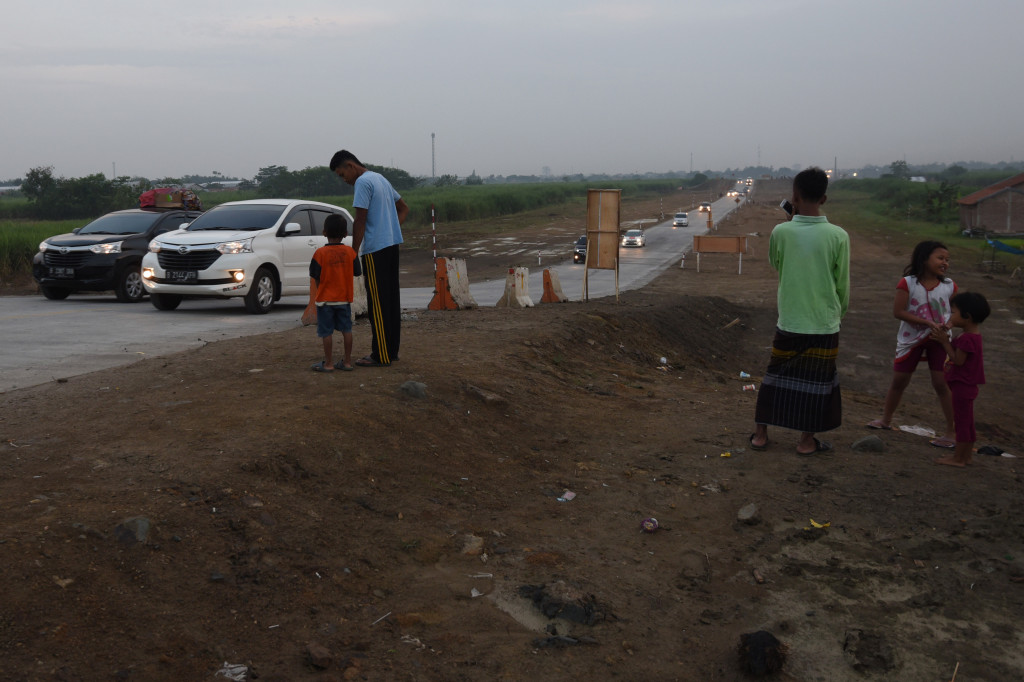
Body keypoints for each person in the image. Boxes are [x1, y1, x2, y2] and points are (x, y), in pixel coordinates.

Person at [749, 167, 850, 455]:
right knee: (818, 383)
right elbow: (842, 283)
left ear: (794, 197)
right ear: (825, 199)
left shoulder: (782, 231)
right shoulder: (838, 236)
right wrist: (837, 314)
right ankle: (806, 441)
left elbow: (776, 263)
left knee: (775, 376)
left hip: (791, 319)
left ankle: (760, 435)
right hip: (824, 322)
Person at [866, 241, 957, 447]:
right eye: (940, 258)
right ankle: (885, 420)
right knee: (899, 380)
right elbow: (898, 312)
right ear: (924, 259)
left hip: (939, 340)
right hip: (911, 338)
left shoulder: (949, 286)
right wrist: (925, 322)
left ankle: (952, 432)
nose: (945, 263)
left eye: (947, 260)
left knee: (941, 384)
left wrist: (947, 325)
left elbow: (955, 313)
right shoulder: (907, 283)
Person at [329, 150, 410, 367]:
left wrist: (353, 253)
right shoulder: (380, 178)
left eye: (341, 174)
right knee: (391, 301)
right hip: (392, 246)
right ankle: (391, 352)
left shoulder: (363, 183)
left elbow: (360, 221)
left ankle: (380, 355)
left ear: (350, 166)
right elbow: (403, 209)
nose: (343, 180)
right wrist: (388, 228)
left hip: (375, 251)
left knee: (378, 304)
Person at [930, 292, 989, 467]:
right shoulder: (971, 335)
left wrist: (944, 342)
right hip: (966, 386)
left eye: (954, 313)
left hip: (962, 386)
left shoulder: (967, 339)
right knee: (968, 423)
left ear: (967, 316)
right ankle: (966, 457)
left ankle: (958, 458)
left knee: (962, 424)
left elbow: (958, 360)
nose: (951, 316)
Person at [309, 214, 361, 372]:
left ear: (324, 232)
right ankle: (347, 362)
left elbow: (315, 275)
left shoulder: (319, 254)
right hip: (344, 300)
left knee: (326, 332)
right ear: (345, 234)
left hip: (325, 300)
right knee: (347, 330)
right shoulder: (351, 253)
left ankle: (329, 363)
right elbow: (357, 272)